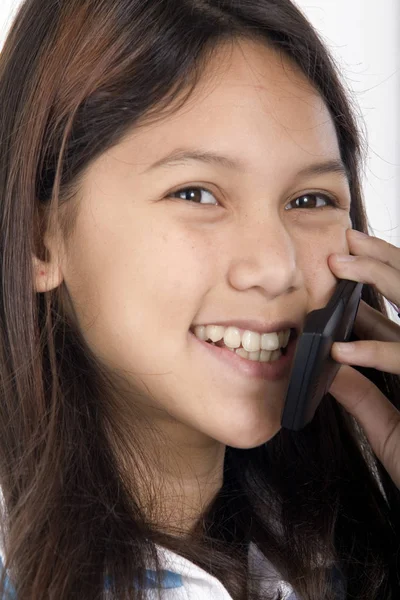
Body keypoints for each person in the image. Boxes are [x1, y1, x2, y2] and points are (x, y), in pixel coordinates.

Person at [0, 0, 399, 598]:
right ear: (38, 240)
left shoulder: (339, 556)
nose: (275, 268)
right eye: (196, 193)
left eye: (311, 200)